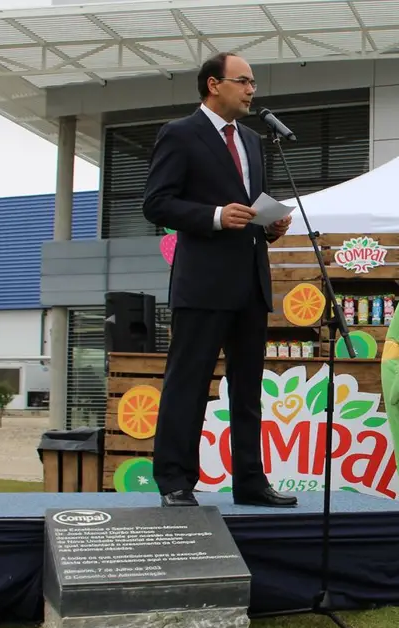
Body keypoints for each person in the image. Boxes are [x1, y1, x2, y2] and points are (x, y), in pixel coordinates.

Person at [142, 52, 297, 508]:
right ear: (214, 84)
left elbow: (251, 205)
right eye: (244, 81)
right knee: (188, 384)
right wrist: (213, 216)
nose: (252, 90)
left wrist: (269, 225)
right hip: (203, 283)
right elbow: (156, 203)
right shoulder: (180, 134)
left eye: (253, 82)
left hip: (250, 281)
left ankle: (250, 480)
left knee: (248, 389)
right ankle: (175, 481)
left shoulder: (252, 140)